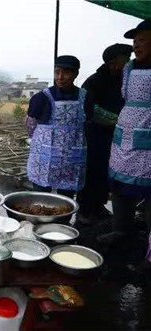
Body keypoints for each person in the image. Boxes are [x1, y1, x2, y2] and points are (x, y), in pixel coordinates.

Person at [98, 19, 151, 245]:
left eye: (142, 40)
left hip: (148, 136)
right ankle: (122, 230)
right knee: (119, 184)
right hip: (125, 135)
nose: (136, 45)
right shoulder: (128, 69)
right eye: (135, 41)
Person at [76, 44, 133, 224]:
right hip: (95, 135)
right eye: (125, 59)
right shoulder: (95, 81)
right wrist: (119, 120)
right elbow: (89, 108)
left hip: (116, 136)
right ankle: (85, 209)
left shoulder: (124, 81)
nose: (127, 63)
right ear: (112, 62)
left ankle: (99, 206)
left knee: (108, 173)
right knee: (93, 170)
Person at [26, 55, 93, 198]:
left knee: (66, 199)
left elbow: (88, 122)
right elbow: (31, 124)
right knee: (41, 196)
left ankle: (62, 220)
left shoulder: (85, 97)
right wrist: (38, 139)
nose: (60, 77)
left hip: (72, 159)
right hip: (44, 157)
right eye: (57, 72)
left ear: (76, 74)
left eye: (66, 72)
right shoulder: (42, 98)